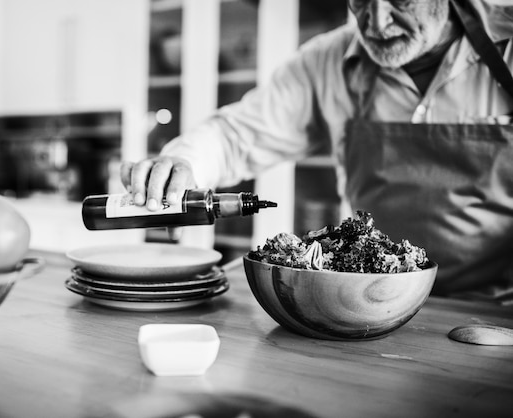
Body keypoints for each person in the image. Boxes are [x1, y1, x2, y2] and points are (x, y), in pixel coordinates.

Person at [120, 0, 513, 302]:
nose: (376, 22)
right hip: (366, 303)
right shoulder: (326, 61)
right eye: (360, 0)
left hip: (492, 312)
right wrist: (184, 161)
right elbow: (235, 135)